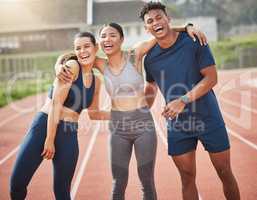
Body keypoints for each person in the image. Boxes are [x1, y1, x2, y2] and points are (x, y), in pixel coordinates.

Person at [57, 22, 207, 200]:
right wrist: (58, 66)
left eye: (112, 35)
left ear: (121, 39)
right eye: (103, 36)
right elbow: (75, 56)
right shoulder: (99, 64)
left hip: (144, 127)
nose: (107, 39)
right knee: (118, 183)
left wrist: (187, 27)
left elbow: (161, 32)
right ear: (99, 44)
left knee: (147, 182)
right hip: (118, 130)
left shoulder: (135, 54)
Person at [139, 2, 240, 200]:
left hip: (208, 117)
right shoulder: (149, 58)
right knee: (186, 178)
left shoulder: (194, 40)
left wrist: (183, 100)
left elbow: (211, 78)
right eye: (150, 21)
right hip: (178, 124)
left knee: (224, 171)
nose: (155, 22)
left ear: (168, 19)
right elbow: (151, 86)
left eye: (159, 17)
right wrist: (141, 110)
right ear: (146, 28)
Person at [9, 32, 109, 200]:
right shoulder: (71, 66)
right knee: (17, 184)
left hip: (69, 132)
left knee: (63, 192)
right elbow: (56, 104)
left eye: (86, 46)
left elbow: (94, 113)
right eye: (78, 48)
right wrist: (49, 139)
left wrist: (124, 113)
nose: (82, 51)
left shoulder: (97, 81)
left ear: (96, 48)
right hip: (44, 127)